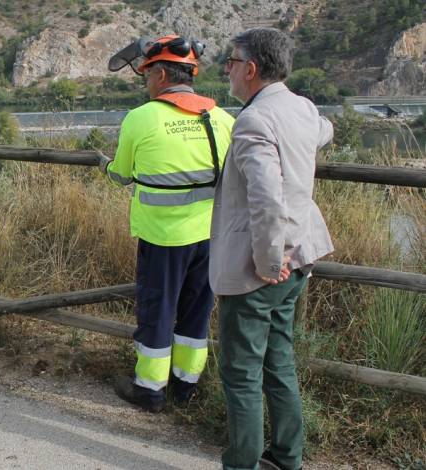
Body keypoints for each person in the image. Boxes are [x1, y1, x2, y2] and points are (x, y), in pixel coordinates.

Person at [212, 28, 333, 470]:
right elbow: (323, 130)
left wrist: (267, 263)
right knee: (278, 360)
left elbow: (267, 201)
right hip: (300, 258)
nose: (226, 68)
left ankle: (241, 464)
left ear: (251, 68)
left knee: (241, 373)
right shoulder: (302, 108)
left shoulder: (253, 120)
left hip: (263, 267)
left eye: (230, 60)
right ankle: (286, 456)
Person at [101, 35, 235, 412]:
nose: (146, 83)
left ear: (161, 74)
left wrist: (105, 166)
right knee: (197, 311)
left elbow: (121, 174)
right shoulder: (222, 119)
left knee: (157, 310)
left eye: (146, 76)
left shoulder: (141, 117)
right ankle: (185, 388)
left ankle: (149, 390)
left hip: (162, 236)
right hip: (210, 236)